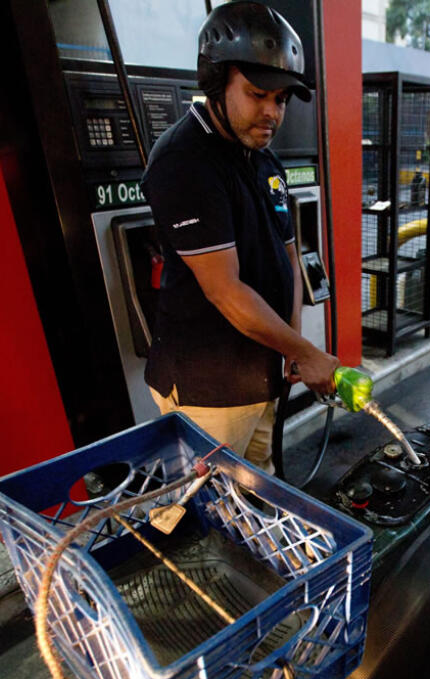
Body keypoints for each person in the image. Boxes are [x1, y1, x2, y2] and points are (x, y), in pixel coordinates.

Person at [141, 1, 338, 474]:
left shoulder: (264, 160)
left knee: (261, 487)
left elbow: (289, 259)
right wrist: (304, 352)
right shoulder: (185, 161)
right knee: (200, 505)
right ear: (216, 82)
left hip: (262, 373)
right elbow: (224, 290)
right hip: (210, 388)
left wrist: (290, 347)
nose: (272, 112)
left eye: (282, 100)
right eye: (257, 94)